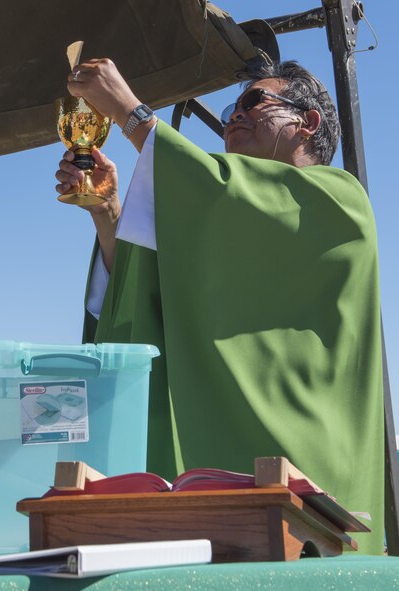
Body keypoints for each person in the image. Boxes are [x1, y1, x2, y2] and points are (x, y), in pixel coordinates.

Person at [56, 58, 384, 554]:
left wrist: (130, 112)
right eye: (232, 105)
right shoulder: (220, 212)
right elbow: (144, 303)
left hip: (306, 465)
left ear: (308, 123)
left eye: (255, 102)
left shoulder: (341, 203)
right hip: (204, 473)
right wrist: (109, 214)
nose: (234, 115)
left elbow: (222, 192)